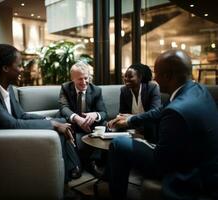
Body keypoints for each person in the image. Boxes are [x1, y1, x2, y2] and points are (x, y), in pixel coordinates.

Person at [107, 50, 218, 200]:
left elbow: (161, 161)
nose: (153, 78)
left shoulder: (176, 112)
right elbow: (160, 110)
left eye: (156, 73)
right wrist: (130, 120)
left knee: (119, 143)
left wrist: (139, 141)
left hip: (189, 171)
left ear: (167, 76)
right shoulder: (198, 89)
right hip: (204, 159)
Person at [0, 44, 80, 182]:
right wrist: (53, 125)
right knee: (57, 127)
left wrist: (51, 120)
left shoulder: (6, 88)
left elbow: (21, 115)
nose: (22, 70)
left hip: (13, 136)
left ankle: (70, 173)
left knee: (63, 121)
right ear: (5, 68)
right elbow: (11, 124)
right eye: (19, 65)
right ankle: (67, 180)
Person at [59, 61, 107, 177]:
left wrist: (95, 114)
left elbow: (104, 112)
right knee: (63, 126)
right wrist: (76, 118)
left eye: (86, 78)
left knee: (104, 123)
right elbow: (63, 107)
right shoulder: (65, 88)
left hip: (90, 124)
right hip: (73, 124)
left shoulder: (96, 90)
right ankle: (76, 165)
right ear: (73, 79)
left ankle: (93, 162)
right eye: (80, 79)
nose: (84, 82)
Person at [117, 63, 161, 142]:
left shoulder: (152, 88)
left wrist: (131, 117)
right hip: (131, 129)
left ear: (140, 77)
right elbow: (122, 114)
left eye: (130, 76)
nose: (126, 79)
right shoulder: (124, 90)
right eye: (125, 76)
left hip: (150, 130)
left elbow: (154, 114)